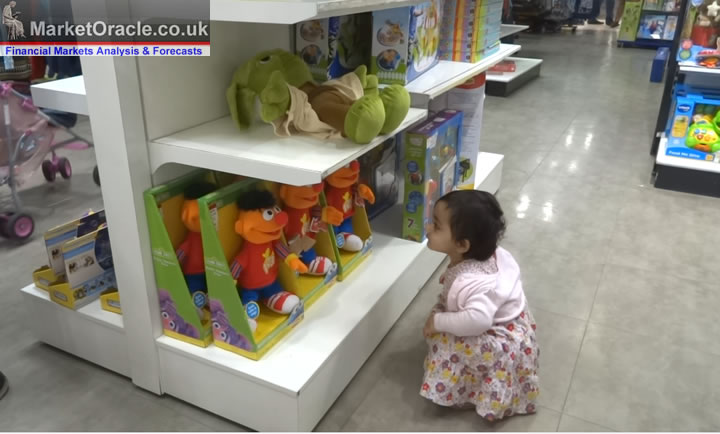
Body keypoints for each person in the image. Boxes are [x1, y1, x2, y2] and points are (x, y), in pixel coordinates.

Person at [420, 190, 539, 421]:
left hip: (497, 337)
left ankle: (466, 391)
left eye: (436, 225)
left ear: (462, 244)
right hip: (505, 319)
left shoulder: (475, 283)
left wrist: (438, 321)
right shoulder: (485, 254)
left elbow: (478, 320)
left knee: (446, 340)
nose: (428, 228)